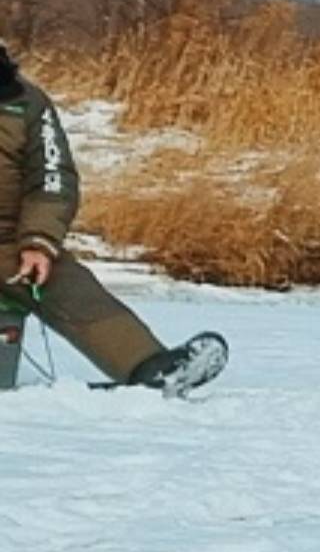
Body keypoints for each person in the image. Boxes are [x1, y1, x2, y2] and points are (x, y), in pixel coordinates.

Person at [2, 41, 226, 395]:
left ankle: (151, 368)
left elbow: (53, 177)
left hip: (9, 243)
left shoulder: (27, 102)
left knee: (65, 283)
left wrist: (38, 242)